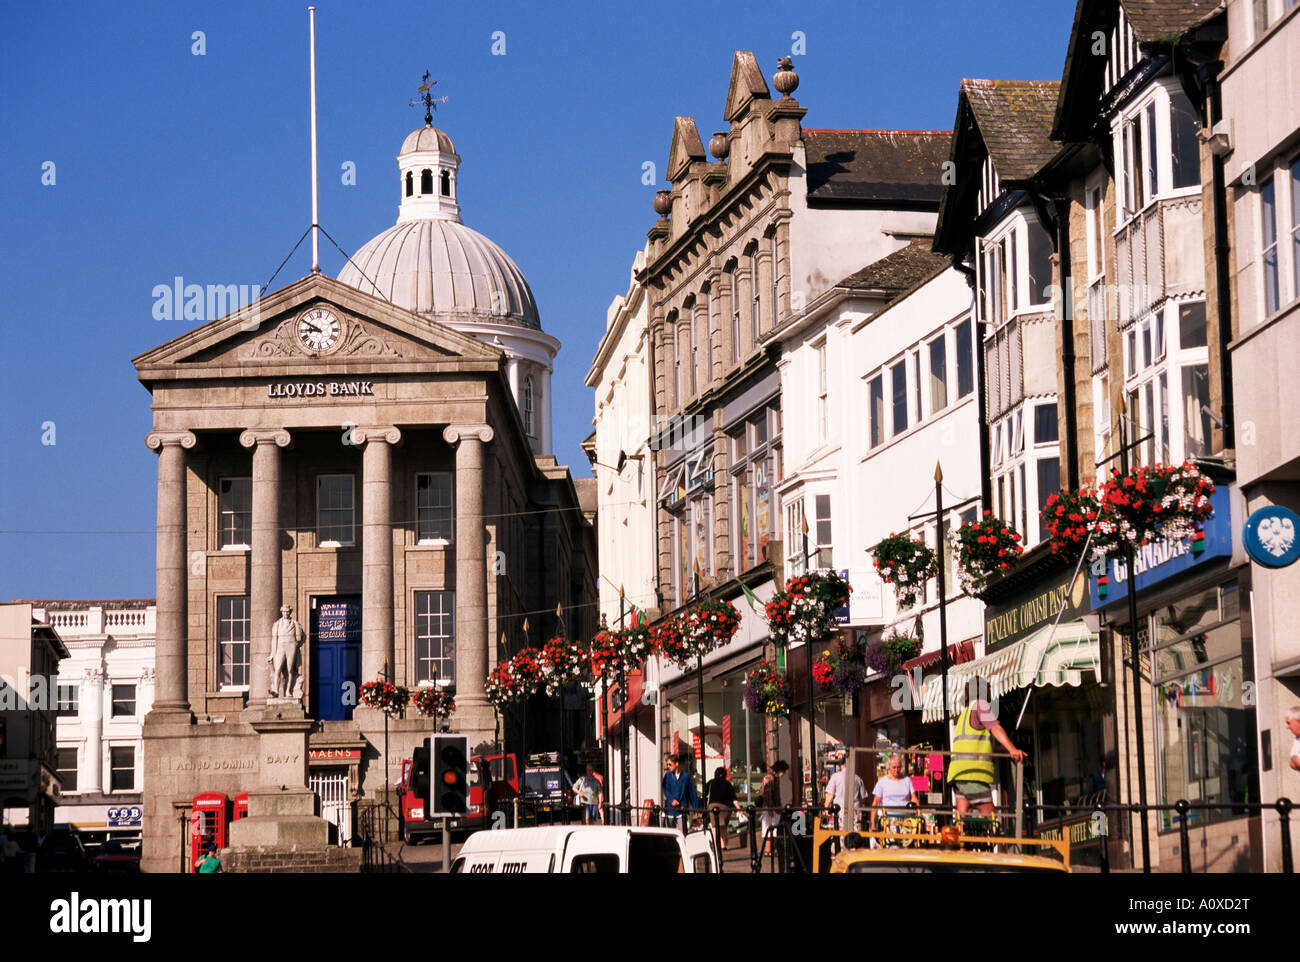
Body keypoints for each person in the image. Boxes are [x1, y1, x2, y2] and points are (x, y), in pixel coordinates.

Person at [946, 676, 1026, 820]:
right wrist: (1012, 748)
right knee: (990, 817)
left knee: (963, 819)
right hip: (973, 774)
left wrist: (1003, 750)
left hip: (958, 774)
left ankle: (965, 842)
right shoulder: (980, 706)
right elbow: (995, 727)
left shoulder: (965, 712)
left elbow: (977, 744)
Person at [870, 753, 921, 832]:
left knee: (906, 843)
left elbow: (914, 798)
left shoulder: (907, 780)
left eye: (898, 767)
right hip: (889, 820)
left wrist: (918, 816)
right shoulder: (882, 782)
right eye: (894, 767)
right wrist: (873, 823)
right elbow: (876, 802)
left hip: (906, 820)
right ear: (889, 767)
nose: (896, 770)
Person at [823, 763, 868, 830]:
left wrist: (826, 808)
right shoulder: (857, 778)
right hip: (855, 810)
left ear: (841, 765)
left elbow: (830, 795)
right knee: (855, 834)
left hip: (841, 810)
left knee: (842, 834)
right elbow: (863, 798)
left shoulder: (835, 777)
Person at [758, 760, 789, 856]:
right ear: (780, 770)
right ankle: (768, 850)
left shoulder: (773, 778)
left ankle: (772, 849)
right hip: (770, 807)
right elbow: (768, 794)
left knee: (773, 828)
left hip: (773, 807)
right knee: (770, 828)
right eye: (783, 772)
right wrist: (771, 808)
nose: (784, 774)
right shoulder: (770, 778)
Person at [661, 754, 699, 830]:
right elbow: (666, 789)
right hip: (670, 810)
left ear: (676, 764)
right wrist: (672, 800)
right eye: (667, 764)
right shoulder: (667, 776)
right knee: (669, 834)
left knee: (682, 834)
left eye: (670, 764)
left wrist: (696, 807)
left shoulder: (686, 776)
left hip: (682, 809)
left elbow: (691, 792)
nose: (668, 766)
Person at [704, 767, 736, 849]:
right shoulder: (728, 784)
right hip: (725, 807)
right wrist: (739, 810)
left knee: (714, 826)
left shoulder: (711, 782)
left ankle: (715, 844)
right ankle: (723, 845)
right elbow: (734, 799)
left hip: (713, 805)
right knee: (723, 826)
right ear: (725, 775)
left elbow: (704, 793)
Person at [1286, 705, 1300, 773]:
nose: (1287, 727)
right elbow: (1292, 763)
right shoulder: (1298, 738)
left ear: (1298, 721)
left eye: (1289, 723)